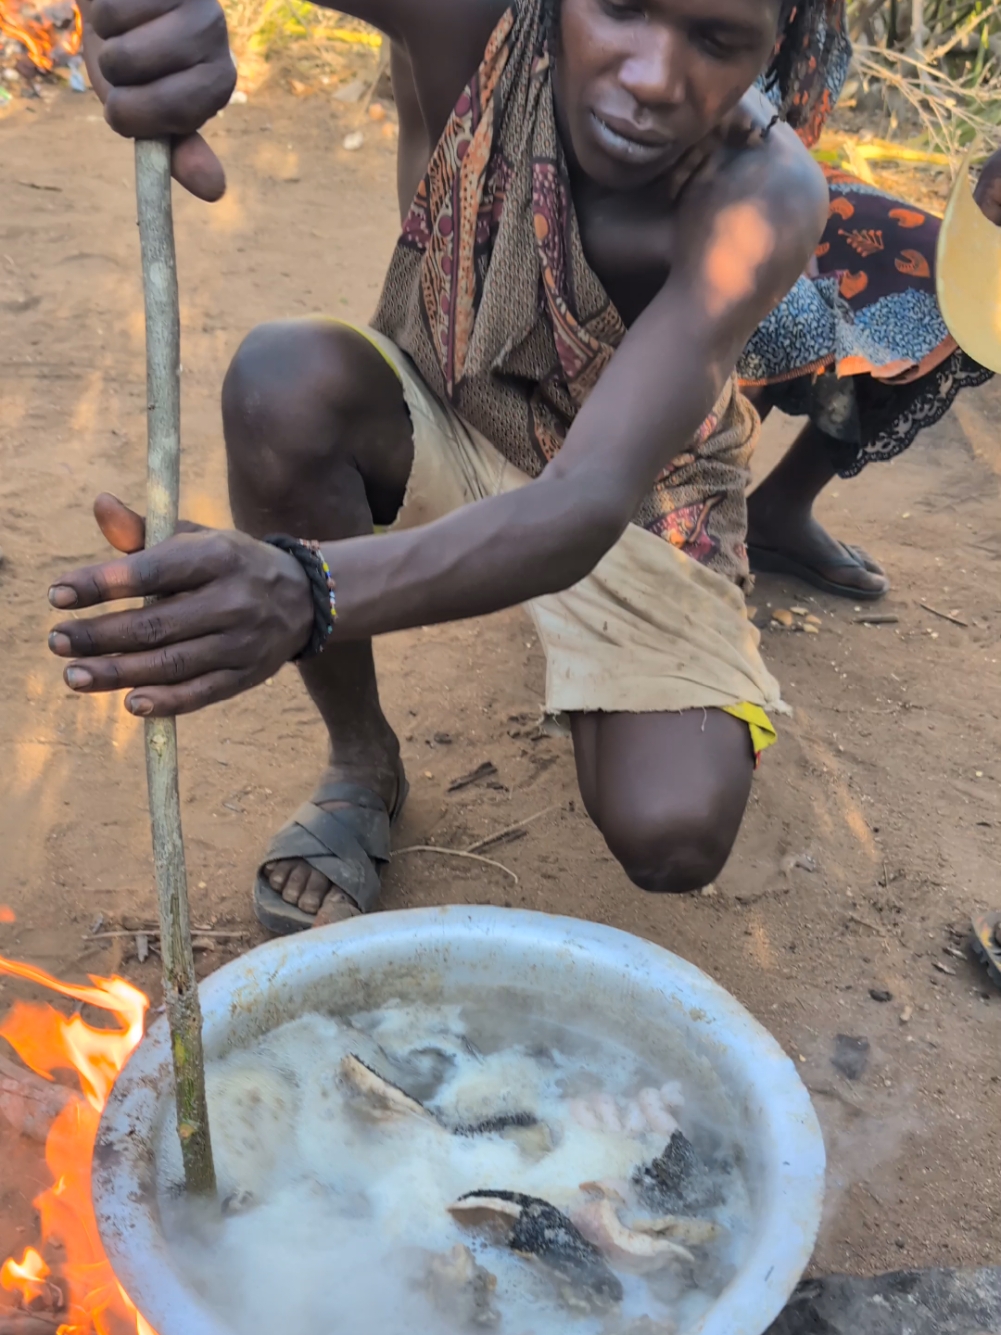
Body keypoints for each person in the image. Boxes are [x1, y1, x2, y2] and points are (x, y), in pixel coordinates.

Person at [51, 0, 836, 930]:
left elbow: (585, 499)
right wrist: (136, 28)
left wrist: (301, 590)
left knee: (673, 830)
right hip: (448, 399)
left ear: (773, 44)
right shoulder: (467, 17)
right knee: (283, 381)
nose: (654, 79)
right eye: (622, 7)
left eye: (715, 41)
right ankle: (360, 762)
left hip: (635, 494)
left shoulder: (765, 192)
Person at [737, 11, 1001, 599]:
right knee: (765, 296)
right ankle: (688, 515)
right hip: (664, 182)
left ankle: (777, 512)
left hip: (776, 176)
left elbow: (791, 124)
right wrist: (776, 209)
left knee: (961, 288)